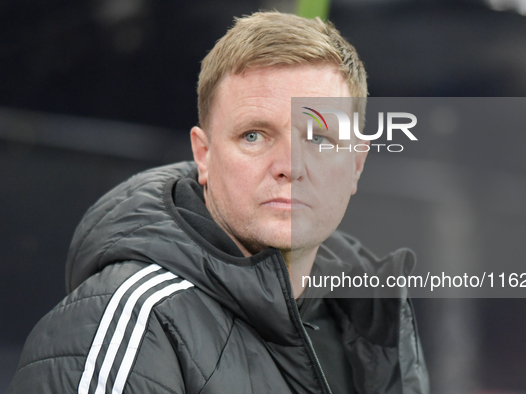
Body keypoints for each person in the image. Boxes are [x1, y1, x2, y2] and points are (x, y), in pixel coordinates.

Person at [8, 11, 428, 394]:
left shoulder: (378, 318)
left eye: (319, 138)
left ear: (355, 165)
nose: (290, 166)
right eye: (254, 135)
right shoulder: (128, 322)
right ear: (204, 155)